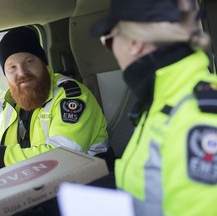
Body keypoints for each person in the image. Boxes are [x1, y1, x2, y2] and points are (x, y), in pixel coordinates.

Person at [90, 0, 217, 215]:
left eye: (108, 41)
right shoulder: (165, 99)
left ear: (134, 42)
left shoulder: (196, 118)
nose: (111, 51)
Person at [0, 27, 109, 171]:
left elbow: (65, 156)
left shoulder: (71, 97)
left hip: (87, 184)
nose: (22, 72)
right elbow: (11, 153)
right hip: (42, 186)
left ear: (43, 65)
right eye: (12, 67)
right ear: (6, 75)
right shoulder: (13, 103)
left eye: (29, 61)